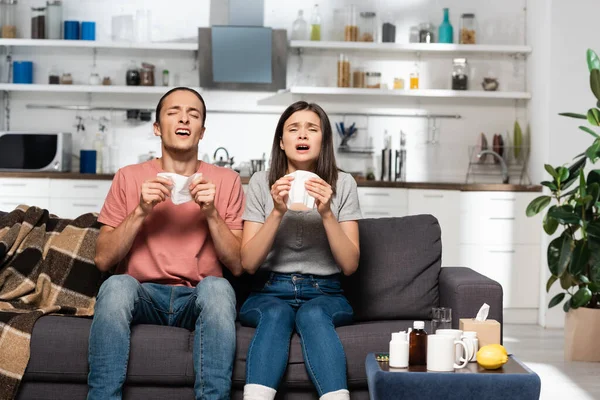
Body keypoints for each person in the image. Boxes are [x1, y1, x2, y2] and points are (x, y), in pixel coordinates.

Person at [87, 87, 245, 400]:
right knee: (116, 286)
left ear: (201, 131)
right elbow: (104, 260)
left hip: (197, 297)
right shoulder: (129, 177)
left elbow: (238, 264)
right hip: (141, 294)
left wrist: (211, 213)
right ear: (157, 127)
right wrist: (141, 211)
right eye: (174, 112)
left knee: (219, 288)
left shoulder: (227, 181)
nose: (184, 118)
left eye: (194, 114)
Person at [240, 101, 362, 400]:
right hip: (269, 290)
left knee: (315, 313)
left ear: (324, 140)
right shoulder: (260, 182)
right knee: (277, 314)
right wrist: (277, 212)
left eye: (312, 129)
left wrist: (328, 213)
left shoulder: (343, 183)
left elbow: (350, 265)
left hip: (326, 292)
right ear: (281, 142)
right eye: (293, 129)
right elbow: (249, 263)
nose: (303, 135)